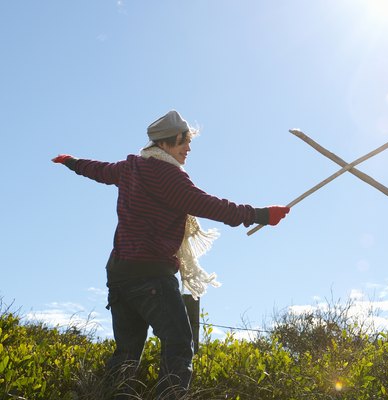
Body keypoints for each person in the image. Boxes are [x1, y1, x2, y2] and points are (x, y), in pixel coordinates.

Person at [52, 110, 290, 399]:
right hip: (151, 275)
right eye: (182, 142)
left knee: (127, 354)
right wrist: (262, 214)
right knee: (179, 345)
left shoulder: (131, 167)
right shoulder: (168, 177)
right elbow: (210, 206)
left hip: (118, 273)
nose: (187, 148)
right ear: (164, 143)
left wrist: (72, 162)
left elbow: (99, 170)